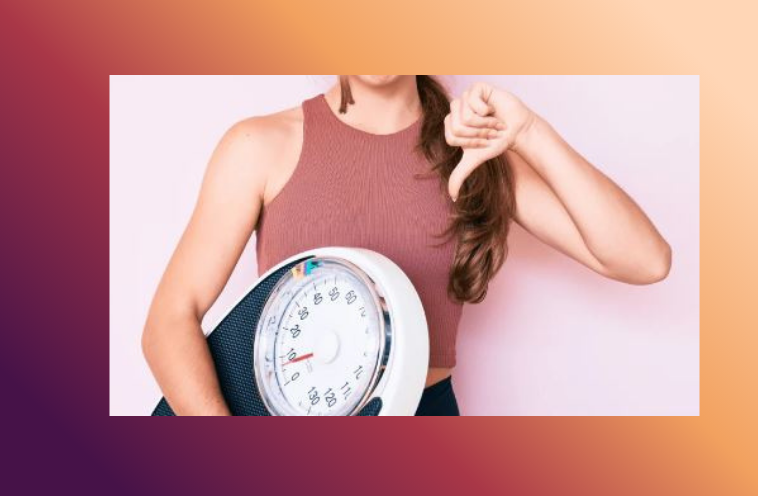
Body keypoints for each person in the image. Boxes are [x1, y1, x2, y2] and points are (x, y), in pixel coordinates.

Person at [142, 75, 672, 416]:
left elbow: (644, 260)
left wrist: (530, 131)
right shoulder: (261, 145)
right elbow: (170, 319)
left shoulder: (475, 151)